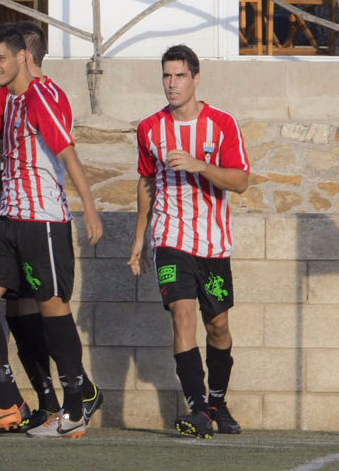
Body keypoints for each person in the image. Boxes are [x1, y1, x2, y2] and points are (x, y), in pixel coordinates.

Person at [0, 25, 103, 439]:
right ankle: (5, 401)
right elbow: (27, 149)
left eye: (0, 59)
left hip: (43, 221)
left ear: (23, 56)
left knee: (53, 309)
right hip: (8, 220)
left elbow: (66, 152)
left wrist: (89, 209)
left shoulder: (41, 96)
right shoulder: (16, 102)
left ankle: (75, 408)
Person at [127, 44, 249, 439]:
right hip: (170, 237)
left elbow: (241, 181)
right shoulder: (150, 129)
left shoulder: (222, 124)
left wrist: (200, 166)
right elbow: (146, 182)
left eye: (180, 76)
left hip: (213, 243)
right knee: (181, 313)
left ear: (196, 78)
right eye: (167, 75)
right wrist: (139, 239)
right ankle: (197, 409)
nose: (172, 84)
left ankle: (217, 402)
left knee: (218, 325)